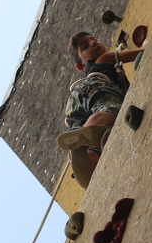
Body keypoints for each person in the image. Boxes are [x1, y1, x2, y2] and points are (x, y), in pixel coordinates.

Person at [57, 32, 144, 187]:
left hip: (74, 105)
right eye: (85, 46)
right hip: (94, 88)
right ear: (81, 66)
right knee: (109, 110)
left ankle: (87, 155)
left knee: (93, 141)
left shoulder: (100, 69)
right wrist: (146, 44)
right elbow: (141, 53)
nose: (94, 43)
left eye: (94, 40)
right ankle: (83, 139)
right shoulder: (104, 59)